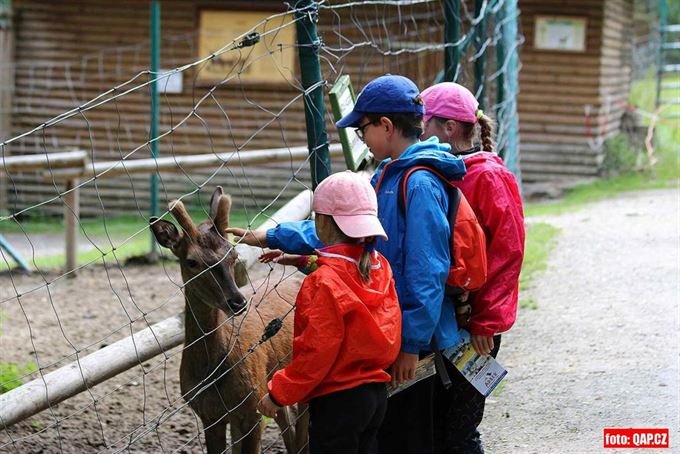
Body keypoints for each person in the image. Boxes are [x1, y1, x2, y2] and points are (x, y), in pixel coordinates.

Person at [230, 74, 468, 454]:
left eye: (362, 130)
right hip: (387, 349)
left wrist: (410, 343)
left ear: (386, 126)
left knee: (409, 439)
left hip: (410, 344)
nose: (361, 139)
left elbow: (429, 269)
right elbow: (342, 236)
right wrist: (271, 236)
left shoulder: (417, 183)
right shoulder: (389, 175)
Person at [256, 170, 401, 454]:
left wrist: (279, 393)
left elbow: (316, 352)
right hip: (376, 394)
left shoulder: (323, 282)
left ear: (321, 222)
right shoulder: (379, 266)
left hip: (338, 402)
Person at [421, 81, 525, 454]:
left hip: (476, 326)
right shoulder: (442, 170)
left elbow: (508, 251)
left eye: (424, 122)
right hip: (445, 319)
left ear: (448, 128)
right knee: (436, 424)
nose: (418, 129)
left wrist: (488, 321)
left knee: (460, 431)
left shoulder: (487, 176)